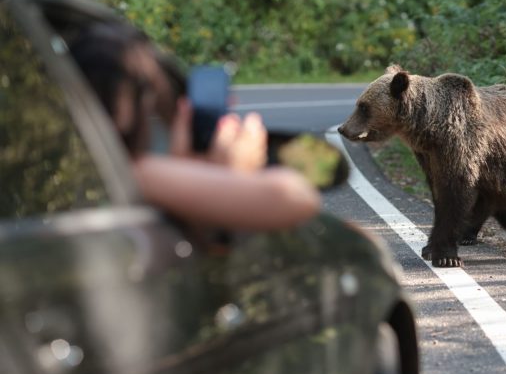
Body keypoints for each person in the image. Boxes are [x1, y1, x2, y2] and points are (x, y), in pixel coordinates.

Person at [69, 21, 320, 230]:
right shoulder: (131, 173)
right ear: (129, 109)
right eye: (153, 103)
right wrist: (233, 173)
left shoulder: (68, 170)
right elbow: (295, 196)